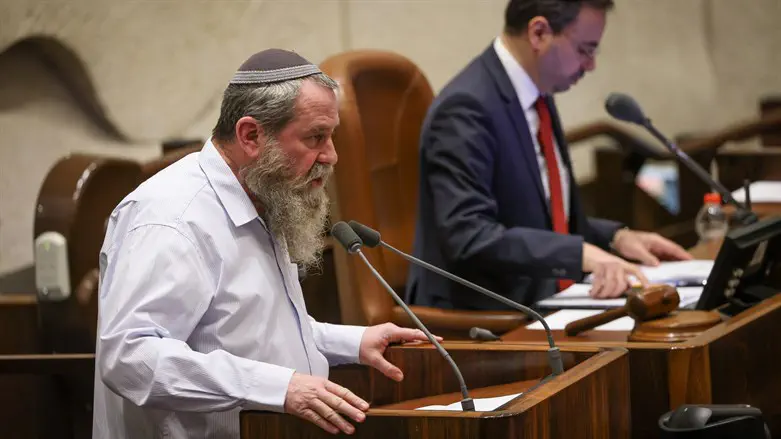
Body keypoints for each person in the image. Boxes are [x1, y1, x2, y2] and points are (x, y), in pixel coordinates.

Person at [92, 49, 433, 438]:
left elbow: (249, 332)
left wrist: (354, 341)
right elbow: (130, 356)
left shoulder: (263, 192)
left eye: (331, 135)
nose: (332, 156)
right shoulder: (172, 217)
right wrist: (279, 388)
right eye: (315, 137)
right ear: (251, 135)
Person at [406, 0, 692, 311]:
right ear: (539, 33)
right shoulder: (465, 108)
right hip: (480, 317)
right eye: (585, 50)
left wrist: (616, 238)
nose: (591, 65)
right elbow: (469, 236)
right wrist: (581, 254)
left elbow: (540, 220)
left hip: (538, 301)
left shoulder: (537, 95)